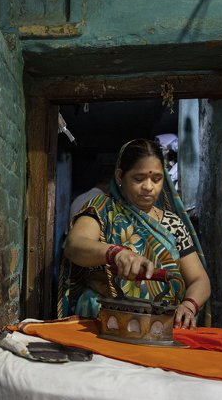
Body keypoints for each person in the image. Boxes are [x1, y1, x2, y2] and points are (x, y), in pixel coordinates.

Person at [60, 138, 210, 329]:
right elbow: (74, 245)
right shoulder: (103, 210)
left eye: (157, 179)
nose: (148, 187)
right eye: (139, 179)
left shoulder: (173, 224)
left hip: (160, 327)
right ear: (120, 176)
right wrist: (116, 253)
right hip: (105, 322)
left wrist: (189, 305)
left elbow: (199, 279)